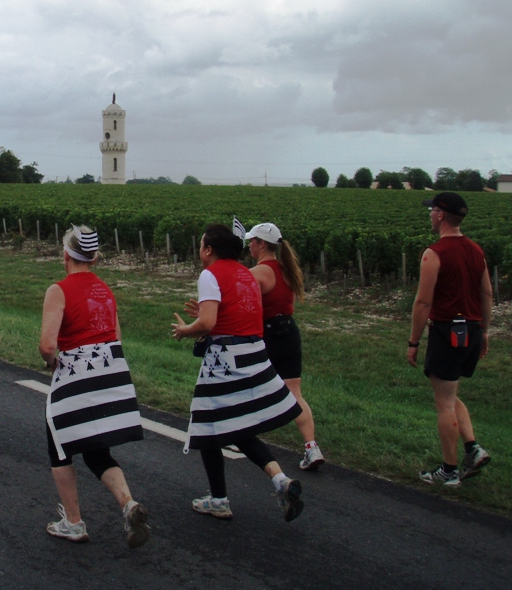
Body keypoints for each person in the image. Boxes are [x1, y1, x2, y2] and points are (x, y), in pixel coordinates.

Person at [172, 224, 304, 522]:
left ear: (208, 249)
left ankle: (219, 500)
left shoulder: (210, 274)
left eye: (202, 244)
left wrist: (185, 330)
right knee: (239, 426)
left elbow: (207, 324)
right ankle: (280, 480)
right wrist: (209, 319)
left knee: (208, 426)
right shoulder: (247, 273)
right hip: (254, 356)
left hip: (224, 361)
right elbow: (236, 313)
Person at [39, 225, 150, 548]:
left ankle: (73, 522)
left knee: (60, 446)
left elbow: (47, 345)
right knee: (96, 449)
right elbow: (116, 338)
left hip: (75, 376)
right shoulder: (106, 290)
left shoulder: (58, 290)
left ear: (66, 255)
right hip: (109, 373)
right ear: (95, 257)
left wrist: (52, 363)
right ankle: (128, 503)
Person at [408, 192, 492, 487]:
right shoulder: (476, 250)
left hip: (448, 332)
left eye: (432, 211)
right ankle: (473, 448)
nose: (429, 215)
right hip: (472, 329)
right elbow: (486, 294)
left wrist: (414, 341)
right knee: (451, 394)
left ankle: (449, 470)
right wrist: (484, 331)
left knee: (444, 403)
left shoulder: (434, 252)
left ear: (441, 215)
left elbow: (423, 303)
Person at [245, 222, 325, 471]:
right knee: (294, 392)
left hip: (267, 334)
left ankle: (243, 437)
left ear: (260, 244)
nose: (249, 245)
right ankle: (311, 447)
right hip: (290, 332)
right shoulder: (288, 270)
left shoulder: (257, 273)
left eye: (252, 241)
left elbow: (251, 311)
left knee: (249, 385)